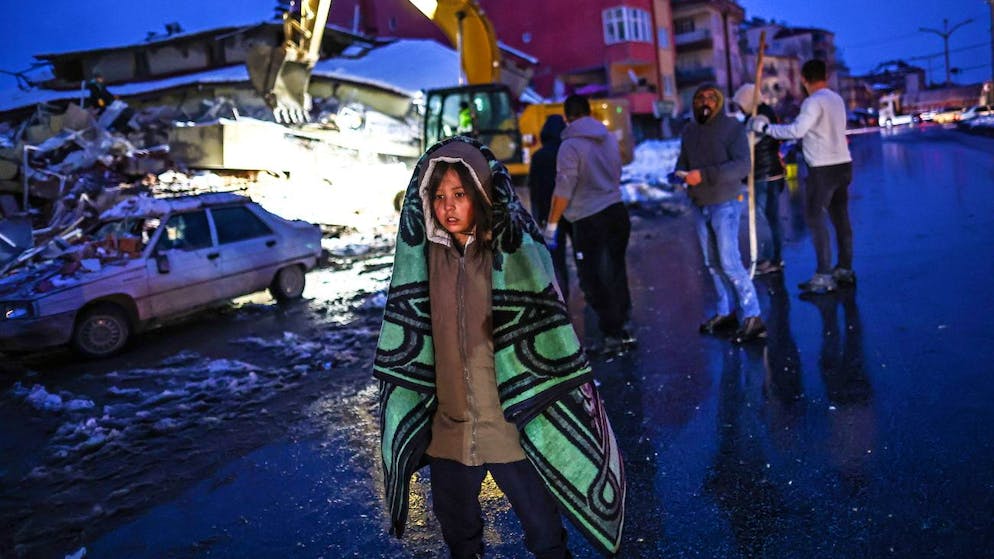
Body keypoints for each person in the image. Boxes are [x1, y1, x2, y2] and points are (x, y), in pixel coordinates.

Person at [374, 137, 625, 559]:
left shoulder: (512, 255)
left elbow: (551, 330)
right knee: (459, 537)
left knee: (545, 535)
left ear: (481, 194)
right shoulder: (423, 262)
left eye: (459, 194)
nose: (448, 207)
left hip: (510, 426)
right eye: (439, 196)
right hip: (450, 431)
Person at [749, 59, 855, 294]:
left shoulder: (813, 101)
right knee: (841, 218)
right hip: (843, 164)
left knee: (815, 219)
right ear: (825, 76)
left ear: (804, 79)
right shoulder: (836, 99)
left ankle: (824, 275)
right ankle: (845, 268)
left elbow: (796, 130)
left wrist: (764, 128)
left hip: (822, 168)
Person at [676, 83, 767, 344]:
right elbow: (683, 161)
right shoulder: (689, 131)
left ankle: (753, 315)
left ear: (719, 102)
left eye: (711, 98)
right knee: (712, 262)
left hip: (725, 201)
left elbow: (742, 165)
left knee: (729, 261)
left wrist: (704, 175)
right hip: (699, 202)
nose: (705, 102)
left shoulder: (732, 128)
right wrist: (680, 173)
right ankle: (726, 311)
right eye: (700, 98)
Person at [544, 94, 634, 355]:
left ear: (566, 117)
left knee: (593, 278)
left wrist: (551, 225)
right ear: (589, 112)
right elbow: (617, 171)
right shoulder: (608, 138)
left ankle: (612, 333)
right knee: (615, 271)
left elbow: (563, 190)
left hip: (588, 219)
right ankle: (623, 324)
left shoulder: (570, 146)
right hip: (617, 211)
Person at [732, 83, 787, 275]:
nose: (740, 109)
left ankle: (772, 258)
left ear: (748, 100)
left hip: (766, 174)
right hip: (764, 173)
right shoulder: (754, 116)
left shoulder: (762, 116)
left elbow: (747, 143)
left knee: (765, 218)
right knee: (768, 217)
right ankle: (772, 257)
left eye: (741, 104)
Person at [528, 114, 572, 300]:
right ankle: (592, 293)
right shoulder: (569, 153)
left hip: (550, 215)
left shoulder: (539, 156)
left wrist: (538, 216)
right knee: (582, 254)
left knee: (557, 258)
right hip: (574, 211)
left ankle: (563, 296)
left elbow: (534, 189)